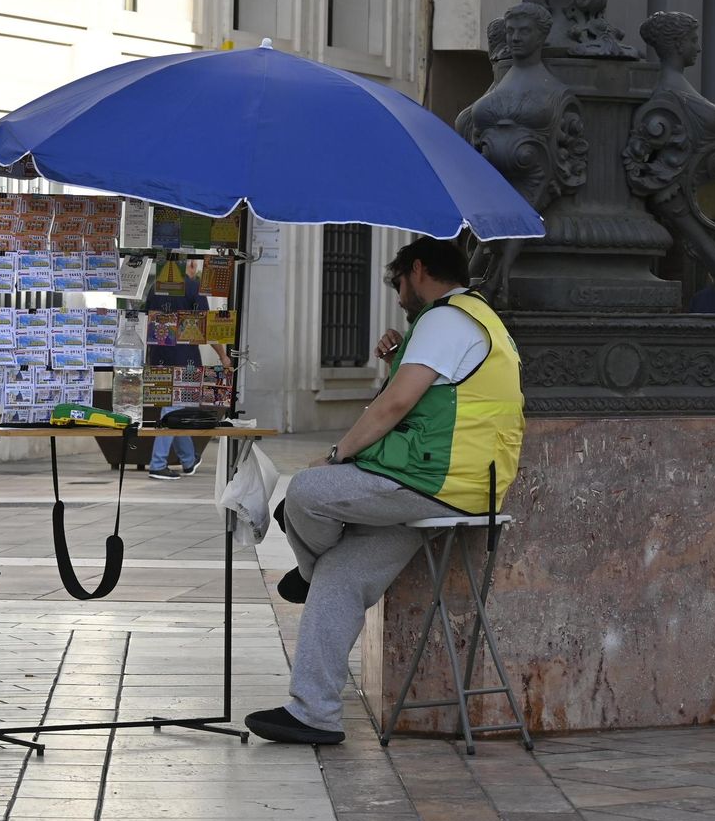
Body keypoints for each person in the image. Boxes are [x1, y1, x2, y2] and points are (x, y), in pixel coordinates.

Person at [244, 238, 525, 745]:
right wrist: (398, 356)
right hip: (461, 488)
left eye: (396, 283)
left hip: (433, 482)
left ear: (417, 271)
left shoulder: (445, 319)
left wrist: (335, 456)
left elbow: (396, 406)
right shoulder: (478, 319)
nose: (397, 297)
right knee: (340, 574)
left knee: (305, 492)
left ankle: (305, 572)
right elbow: (434, 402)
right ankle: (314, 713)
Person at [144, 265, 232, 481]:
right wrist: (223, 356)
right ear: (190, 266)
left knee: (179, 409)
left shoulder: (155, 288)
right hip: (186, 360)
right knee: (174, 409)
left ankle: (189, 459)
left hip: (158, 356)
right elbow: (208, 327)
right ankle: (157, 464)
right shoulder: (193, 288)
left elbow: (147, 322)